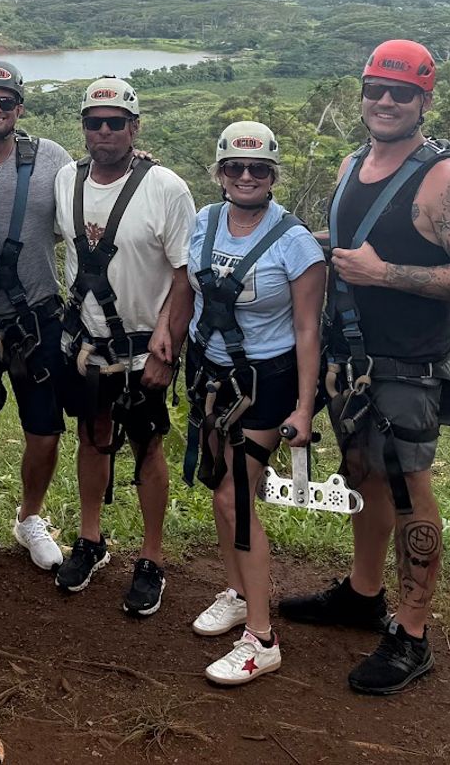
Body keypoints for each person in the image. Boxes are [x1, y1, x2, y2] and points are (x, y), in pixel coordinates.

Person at [280, 40, 450, 695]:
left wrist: (386, 275)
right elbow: (351, 243)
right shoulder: (356, 163)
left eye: (400, 92)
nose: (385, 101)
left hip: (406, 363)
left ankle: (412, 630)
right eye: (376, 88)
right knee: (363, 475)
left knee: (407, 491)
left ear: (423, 100)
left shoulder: (446, 181)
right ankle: (362, 593)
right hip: (350, 355)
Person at [181, 122, 324, 686]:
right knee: (222, 488)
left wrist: (305, 409)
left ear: (272, 176)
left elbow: (309, 331)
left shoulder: (295, 243)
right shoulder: (205, 221)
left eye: (258, 169)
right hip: (210, 371)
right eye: (235, 168)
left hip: (267, 380)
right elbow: (187, 289)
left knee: (235, 496)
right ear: (220, 173)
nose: (246, 177)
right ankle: (241, 591)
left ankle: (261, 638)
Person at [52, 76, 194, 612]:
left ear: (134, 128)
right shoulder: (68, 179)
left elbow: (184, 274)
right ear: (84, 128)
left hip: (142, 346)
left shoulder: (166, 189)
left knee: (148, 446)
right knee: (91, 437)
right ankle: (90, 539)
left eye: (116, 122)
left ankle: (152, 558)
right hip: (87, 344)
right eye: (95, 122)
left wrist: (167, 345)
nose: (105, 131)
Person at [0, 61, 71, 574]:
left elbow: (90, 199)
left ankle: (30, 517)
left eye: (5, 101)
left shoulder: (52, 158)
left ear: (19, 107)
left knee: (44, 429)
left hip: (38, 313)